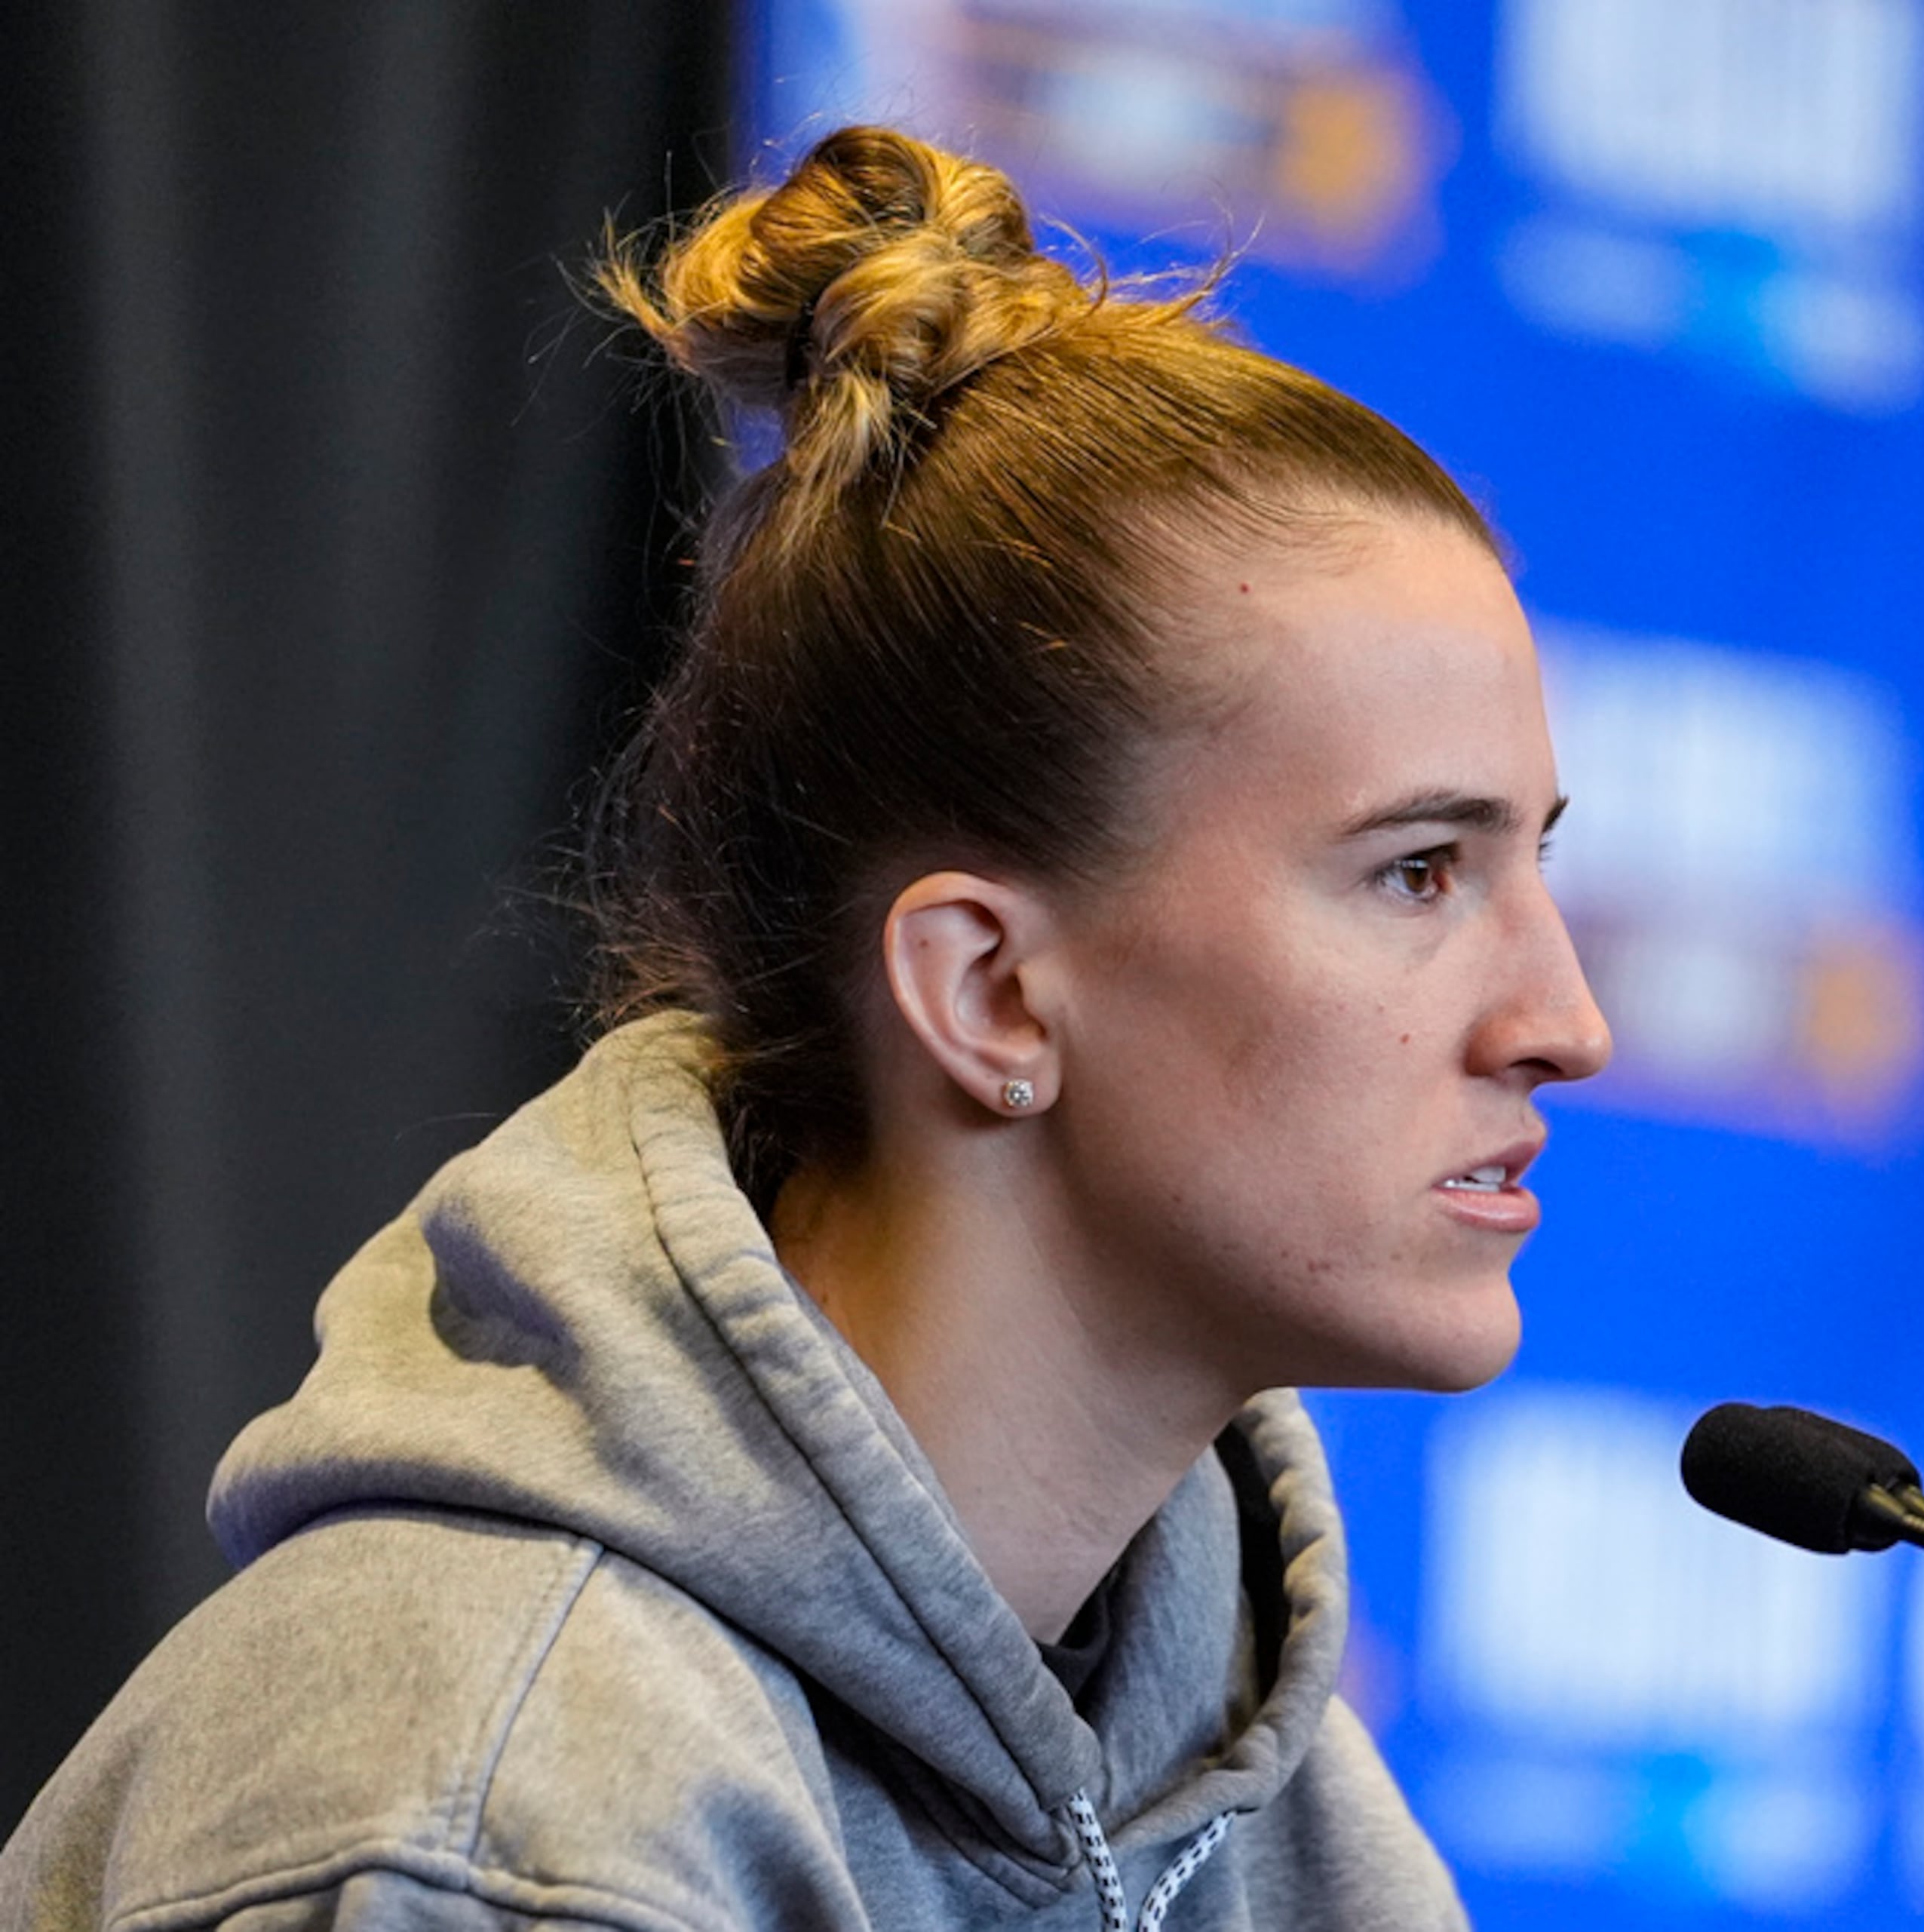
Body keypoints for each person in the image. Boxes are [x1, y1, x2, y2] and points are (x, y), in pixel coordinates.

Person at [2, 125, 1610, 1930]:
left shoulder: (1262, 1788)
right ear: (989, 990)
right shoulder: (503, 1811)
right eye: (1416, 874)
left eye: (1530, 866)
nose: (1568, 1023)